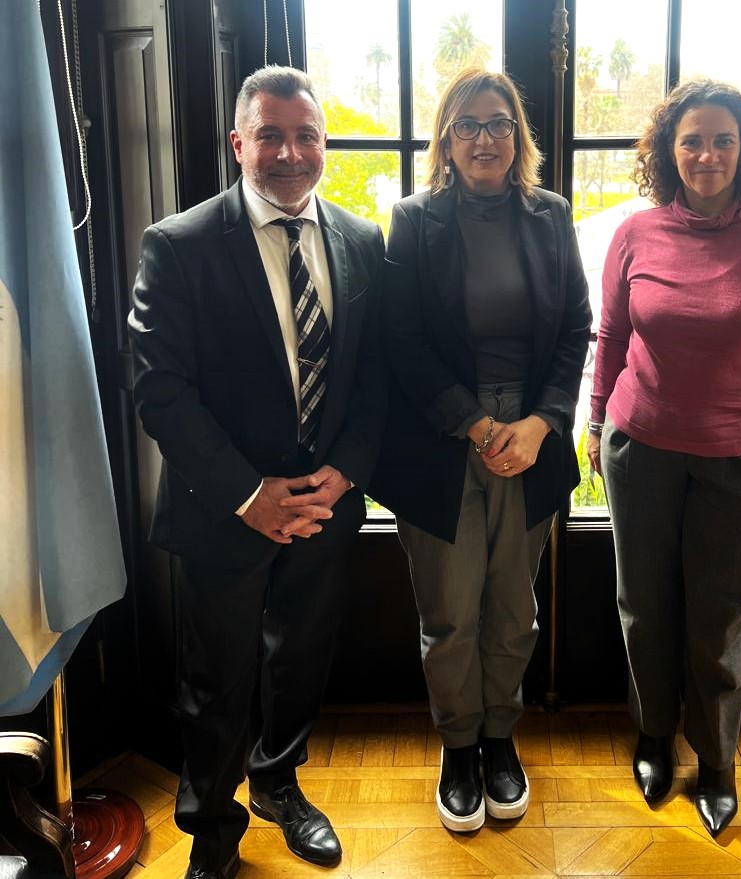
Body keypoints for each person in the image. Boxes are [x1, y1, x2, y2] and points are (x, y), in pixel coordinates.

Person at [128, 66, 386, 878]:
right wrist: (248, 495)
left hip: (324, 504)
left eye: (306, 135)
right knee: (216, 680)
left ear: (324, 144)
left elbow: (378, 374)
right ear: (238, 142)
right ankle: (211, 829)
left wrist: (346, 471)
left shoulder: (362, 240)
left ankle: (279, 784)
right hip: (222, 511)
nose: (289, 152)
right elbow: (160, 391)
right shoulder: (179, 244)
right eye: (270, 135)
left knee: (300, 660)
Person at [587, 80, 741, 838]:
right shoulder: (636, 234)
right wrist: (595, 421)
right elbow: (611, 336)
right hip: (640, 450)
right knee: (644, 604)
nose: (707, 154)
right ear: (669, 150)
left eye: (724, 140)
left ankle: (717, 761)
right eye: (691, 139)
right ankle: (654, 735)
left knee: (723, 619)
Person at [368, 69, 591, 832]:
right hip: (442, 440)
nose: (484, 138)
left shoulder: (551, 216)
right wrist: (474, 423)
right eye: (467, 124)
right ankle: (458, 745)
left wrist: (542, 422)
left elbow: (575, 327)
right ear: (446, 138)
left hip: (529, 438)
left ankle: (501, 737)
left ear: (518, 136)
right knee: (450, 609)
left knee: (513, 607)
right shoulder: (413, 219)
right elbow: (399, 337)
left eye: (498, 123)